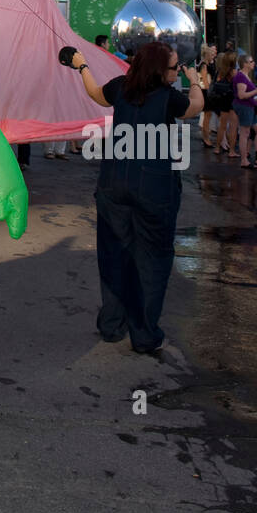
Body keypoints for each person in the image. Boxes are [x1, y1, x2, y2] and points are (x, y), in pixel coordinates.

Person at [71, 41, 203, 354]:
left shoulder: (121, 88)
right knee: (152, 261)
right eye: (173, 67)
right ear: (159, 69)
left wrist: (82, 65)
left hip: (113, 186)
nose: (176, 71)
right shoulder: (169, 97)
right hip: (154, 191)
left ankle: (112, 326)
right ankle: (143, 334)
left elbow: (93, 93)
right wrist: (195, 79)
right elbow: (196, 106)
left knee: (114, 255)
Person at [233, 53, 257, 169]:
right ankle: (244, 160)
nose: (254, 63)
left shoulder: (245, 75)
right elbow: (241, 95)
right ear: (245, 64)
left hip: (249, 106)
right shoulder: (241, 76)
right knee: (245, 133)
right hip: (244, 106)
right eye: (251, 62)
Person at [210, 52, 238, 158]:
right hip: (232, 98)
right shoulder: (234, 71)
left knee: (222, 125)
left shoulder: (221, 71)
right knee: (233, 127)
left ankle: (217, 147)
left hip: (223, 98)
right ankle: (231, 151)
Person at [198, 44, 217, 148]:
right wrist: (211, 91)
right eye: (211, 54)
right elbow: (204, 80)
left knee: (207, 116)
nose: (213, 56)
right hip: (207, 92)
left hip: (207, 91)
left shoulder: (206, 64)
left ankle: (206, 138)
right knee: (207, 116)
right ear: (207, 55)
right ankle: (206, 138)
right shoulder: (204, 65)